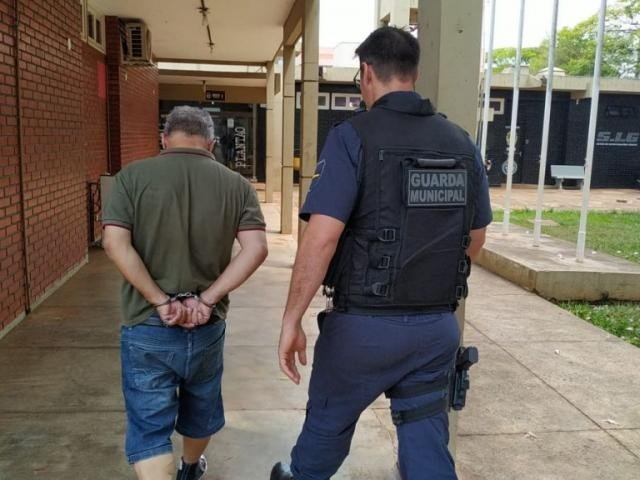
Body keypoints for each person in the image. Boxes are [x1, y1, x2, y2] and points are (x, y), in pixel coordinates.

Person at [271, 27, 492, 480]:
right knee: (427, 446)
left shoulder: (352, 137)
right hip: (436, 330)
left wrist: (291, 319)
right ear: (414, 74)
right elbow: (476, 237)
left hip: (361, 332)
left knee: (325, 434)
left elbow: (321, 238)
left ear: (367, 72)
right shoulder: (462, 143)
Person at [102, 106, 268, 480]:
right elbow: (256, 249)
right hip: (205, 324)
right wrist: (207, 299)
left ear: (164, 139)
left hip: (147, 323)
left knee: (149, 429)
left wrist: (160, 301)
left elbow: (114, 244)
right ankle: (190, 468)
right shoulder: (236, 185)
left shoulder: (131, 178)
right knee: (201, 409)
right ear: (211, 143)